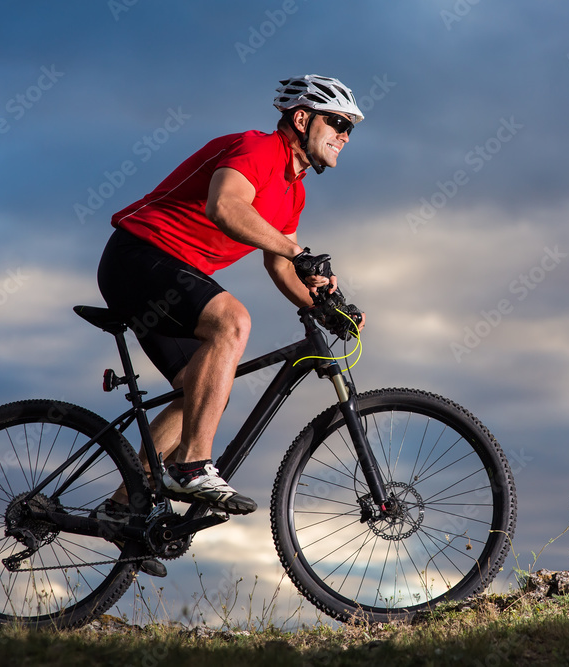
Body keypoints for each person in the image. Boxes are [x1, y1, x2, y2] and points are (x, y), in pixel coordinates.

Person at [92, 75, 366, 568]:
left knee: (195, 390)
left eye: (351, 129)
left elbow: (281, 265)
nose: (346, 135)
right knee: (233, 322)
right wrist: (298, 251)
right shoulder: (257, 149)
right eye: (339, 122)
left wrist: (324, 305)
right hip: (141, 256)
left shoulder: (294, 191)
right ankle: (193, 467)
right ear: (302, 119)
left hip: (167, 278)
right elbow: (225, 205)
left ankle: (119, 507)